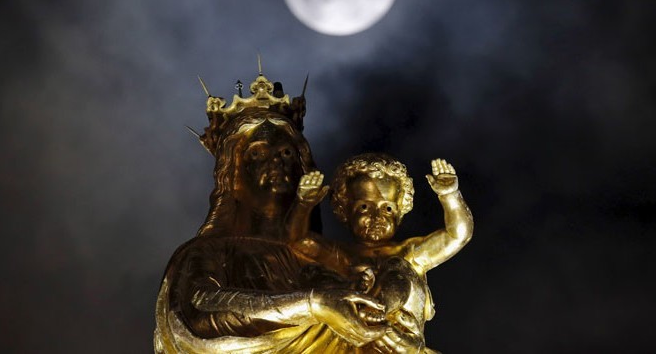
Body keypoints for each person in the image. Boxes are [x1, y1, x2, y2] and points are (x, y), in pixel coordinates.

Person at [155, 103, 387, 352]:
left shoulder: (320, 259)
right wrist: (312, 305)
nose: (276, 161)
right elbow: (200, 309)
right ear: (233, 175)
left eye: (287, 153)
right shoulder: (207, 250)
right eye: (257, 154)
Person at [287, 154, 473, 353]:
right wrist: (303, 204)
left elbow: (458, 235)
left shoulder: (409, 252)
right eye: (364, 207)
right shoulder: (340, 254)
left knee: (398, 267)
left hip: (399, 340)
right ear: (344, 210)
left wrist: (450, 195)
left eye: (388, 208)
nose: (377, 217)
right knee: (319, 277)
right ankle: (365, 313)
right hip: (352, 341)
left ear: (400, 211)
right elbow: (297, 240)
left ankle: (376, 310)